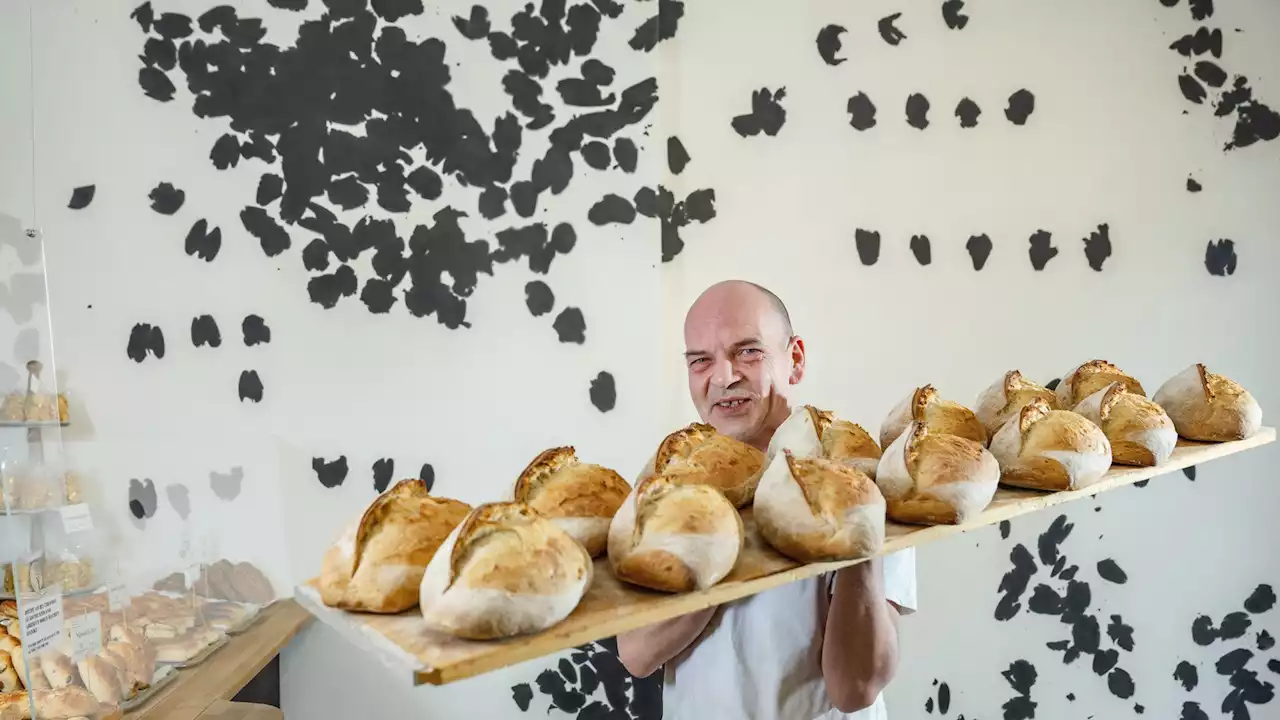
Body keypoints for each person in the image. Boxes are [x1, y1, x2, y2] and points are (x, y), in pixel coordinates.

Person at [617, 279, 918, 720]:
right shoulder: (666, 489)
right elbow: (638, 654)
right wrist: (720, 534)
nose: (724, 377)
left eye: (748, 351)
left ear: (794, 359)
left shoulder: (860, 479)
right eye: (701, 360)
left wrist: (860, 534)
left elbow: (855, 687)